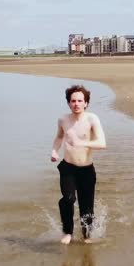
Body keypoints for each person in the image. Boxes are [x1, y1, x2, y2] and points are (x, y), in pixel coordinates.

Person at [50, 84, 107, 244]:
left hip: (86, 170)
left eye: (80, 101)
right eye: (73, 101)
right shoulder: (63, 119)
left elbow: (102, 143)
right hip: (68, 168)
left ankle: (87, 235)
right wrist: (54, 151)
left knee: (86, 208)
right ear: (68, 103)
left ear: (86, 103)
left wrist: (81, 143)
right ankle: (67, 232)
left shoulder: (92, 119)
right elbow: (59, 137)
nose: (76, 104)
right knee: (68, 199)